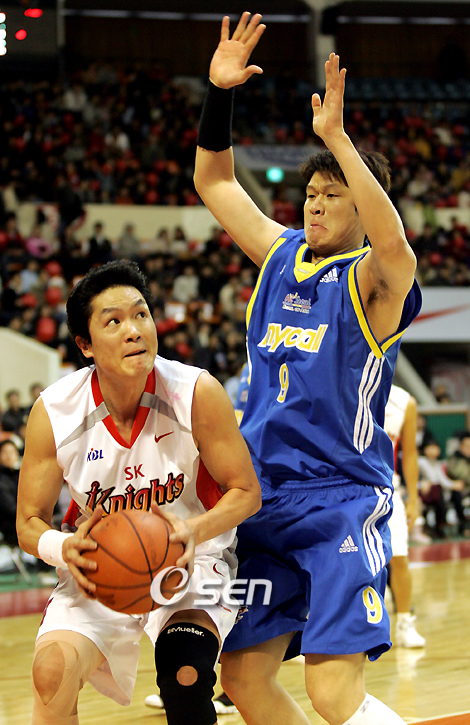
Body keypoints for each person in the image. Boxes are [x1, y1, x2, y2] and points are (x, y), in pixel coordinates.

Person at [193, 13, 421, 725]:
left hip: (339, 498)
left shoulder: (375, 283)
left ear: (363, 205)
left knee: (332, 693)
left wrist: (339, 141)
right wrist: (219, 92)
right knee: (241, 678)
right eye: (311, 194)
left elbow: (396, 246)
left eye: (333, 195)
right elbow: (213, 179)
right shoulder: (280, 254)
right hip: (263, 499)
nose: (315, 204)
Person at [16, 259, 261, 725]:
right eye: (114, 322)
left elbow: (246, 492)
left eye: (141, 315)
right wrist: (65, 548)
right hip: (99, 566)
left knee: (185, 674)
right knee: (51, 673)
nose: (134, 331)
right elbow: (28, 522)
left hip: (193, 557)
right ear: (85, 345)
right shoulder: (54, 412)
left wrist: (192, 531)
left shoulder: (196, 391)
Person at [384, 386, 426, 648]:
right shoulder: (343, 385)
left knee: (399, 556)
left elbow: (409, 453)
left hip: (387, 488)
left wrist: (413, 498)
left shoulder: (404, 402)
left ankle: (404, 623)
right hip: (346, 488)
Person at [418, 439, 466, 538]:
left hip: (437, 492)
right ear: (425, 449)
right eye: (430, 447)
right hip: (423, 492)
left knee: (455, 494)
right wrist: (453, 485)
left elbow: (442, 479)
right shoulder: (421, 462)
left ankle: (459, 524)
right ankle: (439, 526)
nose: (433, 450)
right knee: (439, 491)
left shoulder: (437, 463)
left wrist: (454, 484)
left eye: (435, 447)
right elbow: (434, 479)